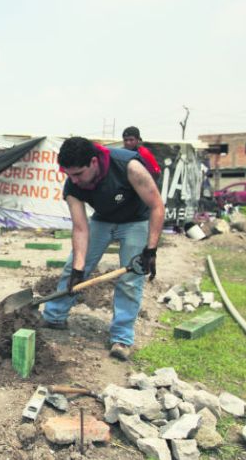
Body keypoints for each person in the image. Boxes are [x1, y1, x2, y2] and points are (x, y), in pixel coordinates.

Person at [40, 136, 165, 361]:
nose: (74, 180)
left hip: (136, 221)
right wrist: (79, 268)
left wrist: (151, 249)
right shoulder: (72, 186)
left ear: (94, 162)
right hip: (103, 220)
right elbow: (80, 228)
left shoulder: (129, 167)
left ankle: (121, 338)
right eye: (69, 174)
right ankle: (54, 316)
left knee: (130, 279)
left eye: (78, 174)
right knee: (73, 268)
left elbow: (156, 205)